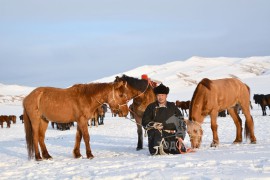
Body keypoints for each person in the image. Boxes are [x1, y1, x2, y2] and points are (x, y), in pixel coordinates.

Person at [142, 83, 187, 155]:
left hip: (171, 135)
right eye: (158, 95)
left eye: (162, 95)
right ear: (156, 96)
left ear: (166, 96)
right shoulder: (151, 107)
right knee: (158, 151)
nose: (160, 97)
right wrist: (154, 124)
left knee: (178, 150)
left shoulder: (172, 106)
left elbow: (181, 121)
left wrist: (180, 136)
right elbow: (145, 121)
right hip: (156, 137)